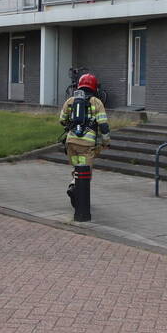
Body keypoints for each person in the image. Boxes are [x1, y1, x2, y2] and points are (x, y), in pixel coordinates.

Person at [58, 73, 110, 222]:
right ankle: (75, 192)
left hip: (71, 143)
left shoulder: (70, 101)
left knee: (77, 168)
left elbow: (62, 120)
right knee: (85, 173)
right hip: (86, 145)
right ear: (94, 87)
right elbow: (104, 125)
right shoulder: (97, 102)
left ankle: (73, 187)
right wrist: (106, 141)